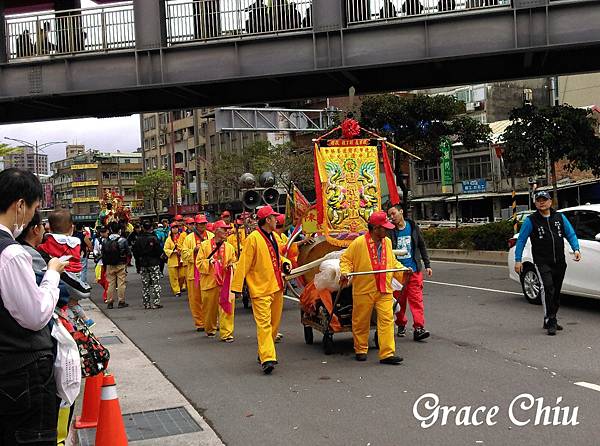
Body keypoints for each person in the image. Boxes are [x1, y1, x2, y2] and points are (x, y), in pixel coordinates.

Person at [0, 168, 68, 445]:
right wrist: (52, 273)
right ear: (19, 205)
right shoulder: (11, 253)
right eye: (34, 208)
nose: (31, 217)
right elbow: (35, 316)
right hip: (20, 373)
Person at [339, 211, 409, 365]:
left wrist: (403, 269)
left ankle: (387, 353)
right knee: (361, 321)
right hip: (364, 289)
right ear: (376, 228)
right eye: (384, 228)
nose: (388, 230)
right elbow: (346, 260)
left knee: (387, 320)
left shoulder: (388, 242)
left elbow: (392, 262)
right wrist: (345, 272)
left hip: (384, 288)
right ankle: (360, 349)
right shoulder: (358, 243)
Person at [232, 205, 291, 374]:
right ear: (267, 220)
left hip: (276, 286)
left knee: (274, 325)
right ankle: (268, 358)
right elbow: (244, 263)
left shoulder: (274, 236)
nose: (277, 220)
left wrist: (286, 263)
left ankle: (264, 351)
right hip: (260, 289)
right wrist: (237, 287)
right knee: (264, 325)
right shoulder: (253, 238)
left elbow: (278, 257)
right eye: (274, 217)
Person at [514, 191, 581, 335]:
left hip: (559, 262)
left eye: (544, 200)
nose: (541, 202)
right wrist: (518, 260)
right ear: (535, 203)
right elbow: (521, 240)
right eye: (538, 200)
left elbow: (570, 234)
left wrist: (576, 249)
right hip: (542, 262)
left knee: (556, 292)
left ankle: (552, 318)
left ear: (550, 202)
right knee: (548, 288)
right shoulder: (531, 221)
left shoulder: (559, 217)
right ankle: (550, 321)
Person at [38, 210, 93, 326]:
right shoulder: (76, 242)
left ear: (50, 229)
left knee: (66, 302)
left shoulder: (51, 240)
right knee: (73, 302)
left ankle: (72, 323)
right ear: (71, 228)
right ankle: (85, 320)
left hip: (63, 275)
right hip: (76, 274)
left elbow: (43, 249)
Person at [388, 205, 432, 341]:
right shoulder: (390, 231)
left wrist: (427, 264)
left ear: (401, 211)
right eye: (390, 215)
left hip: (413, 271)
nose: (392, 217)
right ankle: (400, 323)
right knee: (399, 301)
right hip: (398, 273)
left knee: (416, 300)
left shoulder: (413, 227)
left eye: (393, 213)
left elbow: (421, 246)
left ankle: (419, 328)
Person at [196, 220, 237, 341]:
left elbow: (234, 261)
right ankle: (210, 328)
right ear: (216, 231)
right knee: (209, 309)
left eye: (227, 229)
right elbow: (199, 263)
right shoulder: (205, 246)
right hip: (210, 282)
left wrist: (231, 266)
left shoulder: (229, 247)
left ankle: (226, 333)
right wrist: (209, 262)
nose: (226, 231)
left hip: (225, 282)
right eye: (224, 229)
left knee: (227, 307)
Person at [181, 214, 213, 331]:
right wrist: (194, 251)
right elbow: (184, 254)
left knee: (210, 298)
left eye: (204, 223)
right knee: (195, 299)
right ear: (196, 224)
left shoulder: (211, 236)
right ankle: (200, 323)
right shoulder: (189, 238)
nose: (202, 226)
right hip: (193, 273)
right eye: (200, 224)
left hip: (209, 272)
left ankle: (212, 321)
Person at [133, 221, 163, 309]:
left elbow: (135, 252)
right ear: (151, 228)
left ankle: (146, 303)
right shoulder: (154, 238)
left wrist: (138, 263)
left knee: (145, 284)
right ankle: (156, 302)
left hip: (143, 263)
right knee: (155, 283)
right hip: (154, 262)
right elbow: (159, 251)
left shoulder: (138, 239)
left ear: (143, 228)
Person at [103, 221, 131, 309]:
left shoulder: (105, 241)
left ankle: (110, 302)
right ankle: (121, 301)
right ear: (119, 230)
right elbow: (128, 253)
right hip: (121, 264)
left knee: (110, 284)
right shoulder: (123, 240)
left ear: (110, 230)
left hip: (109, 265)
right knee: (121, 283)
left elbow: (103, 253)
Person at [164, 223, 186, 297]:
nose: (175, 229)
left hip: (181, 259)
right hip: (173, 260)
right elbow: (166, 249)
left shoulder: (182, 237)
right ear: (171, 229)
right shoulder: (169, 239)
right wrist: (172, 252)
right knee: (173, 277)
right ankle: (176, 291)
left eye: (176, 227)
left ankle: (179, 287)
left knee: (182, 275)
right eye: (173, 228)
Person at [93, 226, 110, 302]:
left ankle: (106, 296)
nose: (103, 233)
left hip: (109, 262)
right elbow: (95, 249)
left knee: (107, 281)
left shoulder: (111, 240)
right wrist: (96, 254)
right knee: (101, 280)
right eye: (101, 232)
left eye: (104, 232)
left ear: (108, 231)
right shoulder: (97, 240)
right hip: (100, 262)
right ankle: (108, 291)